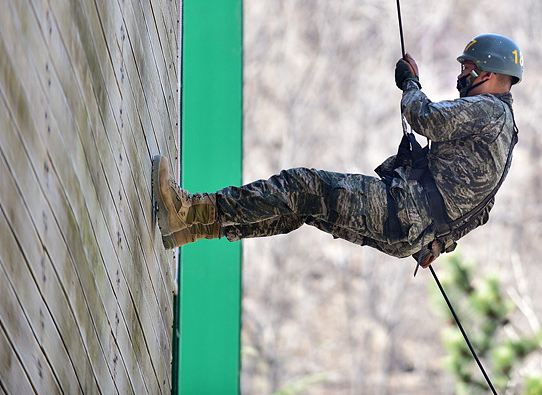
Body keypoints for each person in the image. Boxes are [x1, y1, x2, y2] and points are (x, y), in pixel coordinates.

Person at [152, 34, 522, 266]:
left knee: (304, 187)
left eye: (467, 69)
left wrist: (410, 83)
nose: (460, 76)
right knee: (303, 207)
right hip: (411, 233)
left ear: (486, 74)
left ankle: (189, 211)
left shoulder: (488, 110)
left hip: (403, 210)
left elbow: (424, 116)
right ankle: (194, 226)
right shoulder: (506, 135)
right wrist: (439, 243)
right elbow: (482, 208)